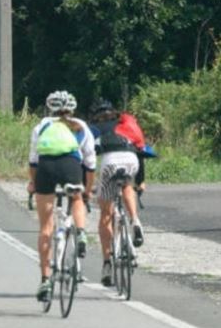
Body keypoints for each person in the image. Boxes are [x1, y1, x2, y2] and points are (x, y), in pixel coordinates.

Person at [27, 91, 96, 302]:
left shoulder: (42, 126)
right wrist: (87, 191)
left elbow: (33, 160)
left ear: (50, 108)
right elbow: (90, 163)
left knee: (46, 227)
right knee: (75, 199)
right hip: (71, 166)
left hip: (47, 168)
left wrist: (33, 183)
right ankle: (82, 232)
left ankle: (45, 280)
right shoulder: (81, 126)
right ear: (72, 109)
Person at [90, 99, 147, 287]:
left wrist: (88, 184)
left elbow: (88, 157)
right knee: (127, 186)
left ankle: (107, 264)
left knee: (105, 214)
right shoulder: (126, 123)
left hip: (110, 162)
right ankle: (134, 221)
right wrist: (141, 181)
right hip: (131, 160)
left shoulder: (95, 128)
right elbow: (141, 151)